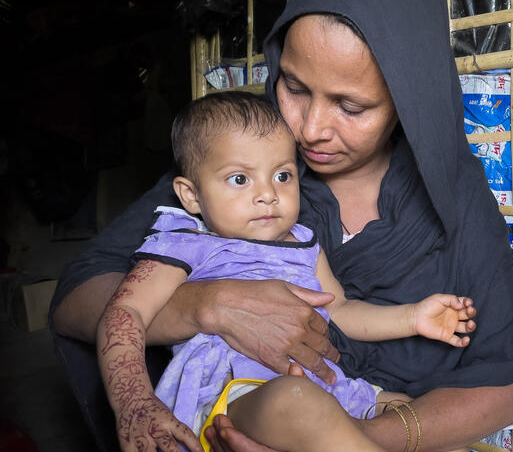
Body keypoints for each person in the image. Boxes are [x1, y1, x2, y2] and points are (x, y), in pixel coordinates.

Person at [50, 0, 513, 451]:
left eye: (350, 106)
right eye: (293, 86)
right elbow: (78, 299)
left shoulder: (451, 192)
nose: (309, 130)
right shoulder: (243, 155)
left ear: (409, 99)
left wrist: (353, 435)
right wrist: (210, 305)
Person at [95, 91, 478, 452]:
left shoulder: (302, 242)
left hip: (327, 389)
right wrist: (133, 402)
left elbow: (340, 310)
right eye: (240, 179)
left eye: (282, 175)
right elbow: (124, 312)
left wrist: (413, 317)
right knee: (296, 400)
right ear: (191, 195)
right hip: (235, 399)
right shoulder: (185, 244)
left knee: (428, 425)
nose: (268, 194)